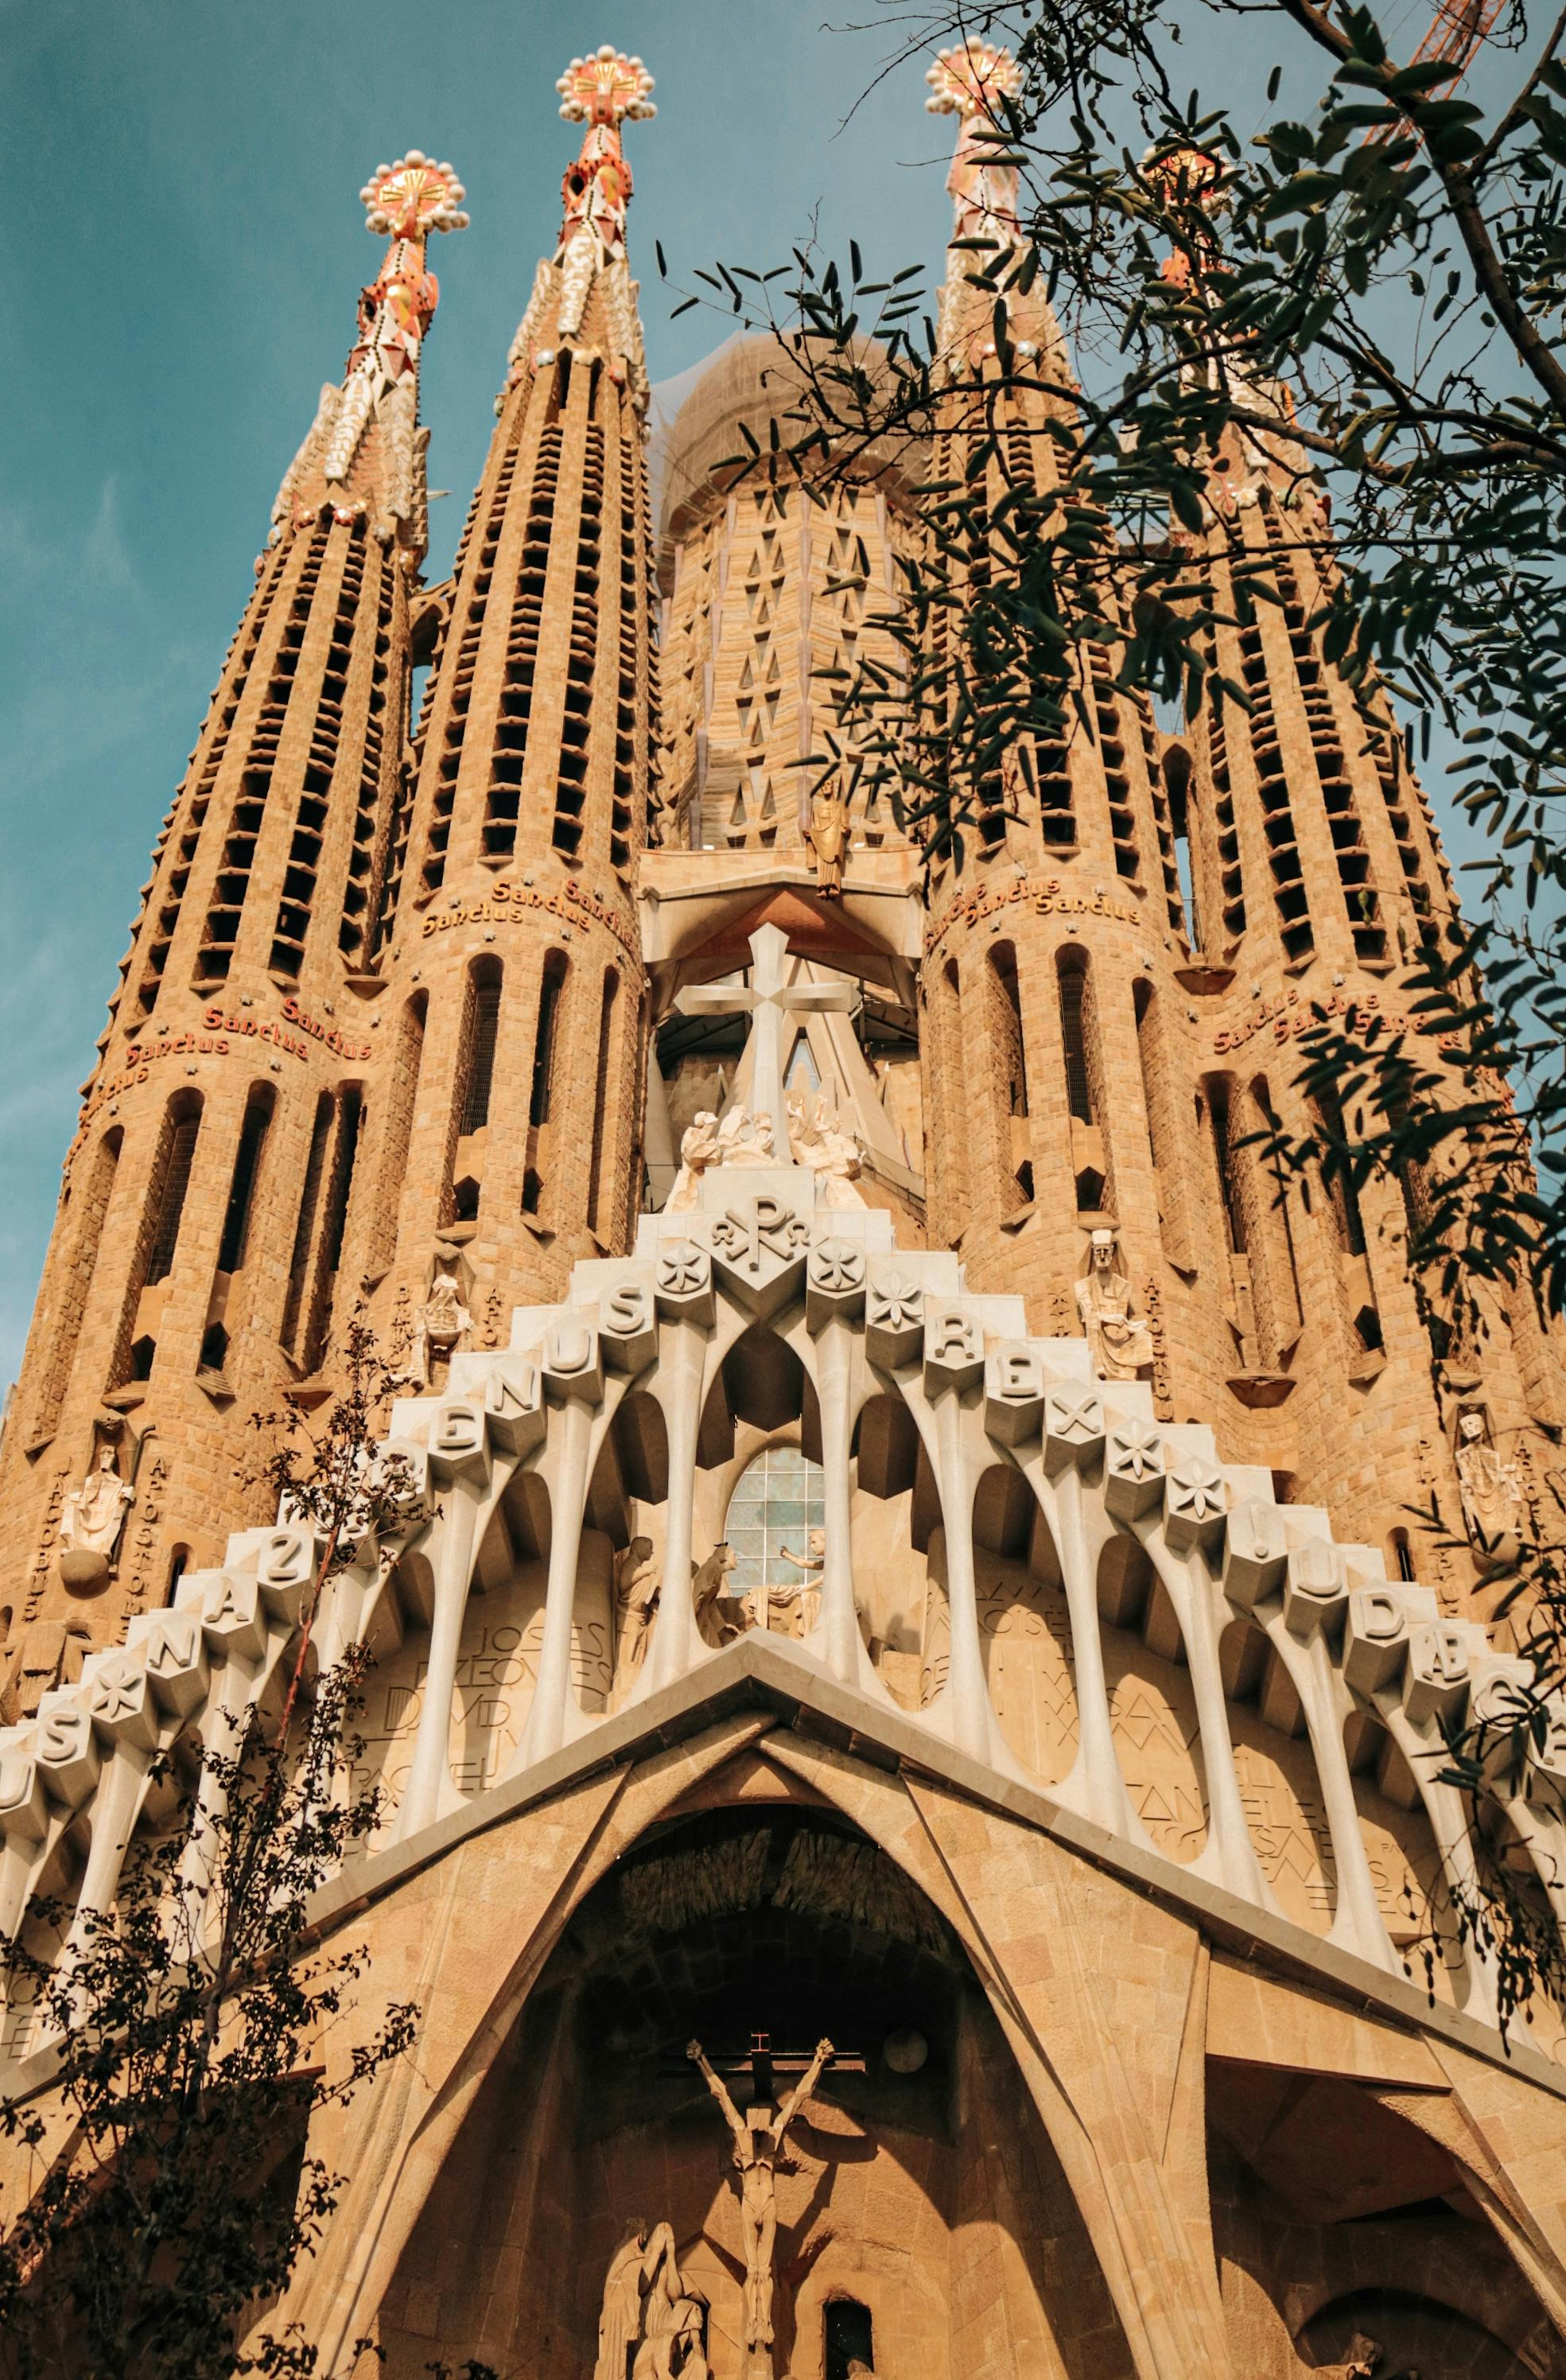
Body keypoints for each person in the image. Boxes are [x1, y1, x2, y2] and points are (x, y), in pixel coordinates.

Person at [686, 2036, 834, 2351]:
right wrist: (701, 2060)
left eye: (759, 2122)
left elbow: (800, 2097)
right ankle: (754, 2322)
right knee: (753, 2269)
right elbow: (721, 2095)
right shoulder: (741, 2135)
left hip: (766, 2203)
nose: (755, 2127)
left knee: (763, 2269)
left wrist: (818, 2061)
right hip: (752, 2204)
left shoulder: (774, 2138)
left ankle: (763, 2322)